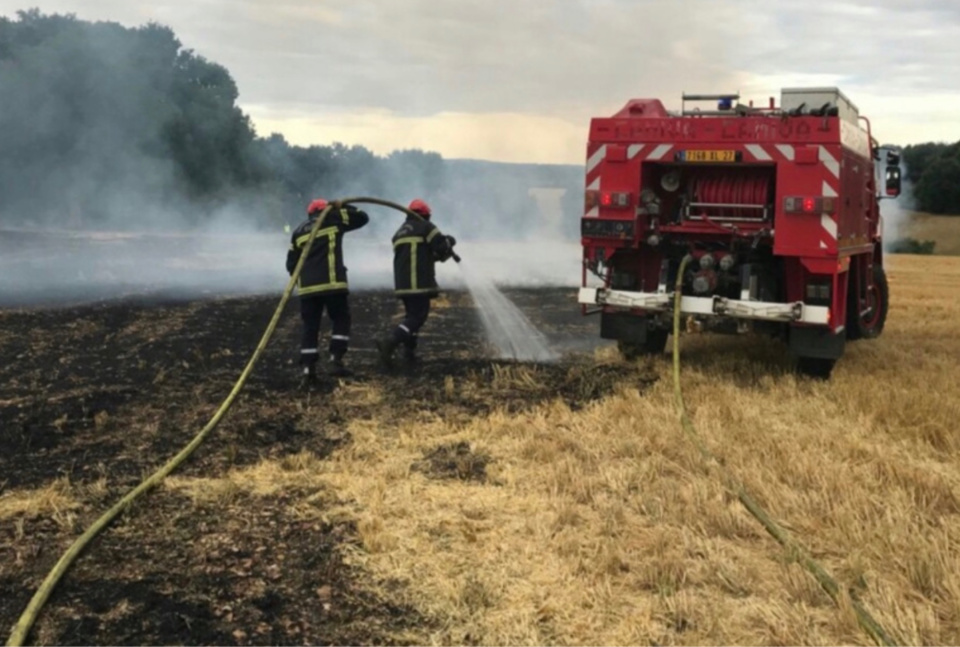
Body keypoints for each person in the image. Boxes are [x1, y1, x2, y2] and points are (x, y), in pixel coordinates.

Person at [286, 198, 369, 380]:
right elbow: (363, 217)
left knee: (310, 326)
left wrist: (303, 279)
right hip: (332, 284)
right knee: (341, 318)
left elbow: (291, 264)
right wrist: (343, 206)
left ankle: (308, 368)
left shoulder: (299, 231)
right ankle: (335, 360)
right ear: (327, 210)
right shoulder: (334, 220)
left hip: (308, 289)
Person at [376, 198, 457, 367]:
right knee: (418, 317)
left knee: (411, 317)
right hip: (418, 283)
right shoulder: (426, 227)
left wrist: (442, 254)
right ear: (426, 215)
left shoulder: (399, 233)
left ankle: (409, 353)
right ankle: (391, 341)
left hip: (403, 284)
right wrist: (449, 241)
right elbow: (441, 247)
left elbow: (424, 256)